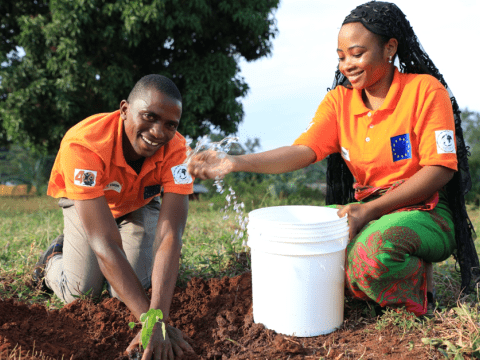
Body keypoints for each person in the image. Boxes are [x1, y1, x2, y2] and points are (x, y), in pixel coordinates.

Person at [188, 1, 479, 316]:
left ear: (389, 48)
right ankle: (371, 277)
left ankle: (418, 294)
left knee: (370, 257)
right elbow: (303, 151)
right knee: (305, 246)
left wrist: (370, 210)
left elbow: (440, 169)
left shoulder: (425, 91)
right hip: (364, 210)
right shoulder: (339, 101)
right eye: (341, 57)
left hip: (424, 210)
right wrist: (235, 162)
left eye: (357, 54)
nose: (347, 65)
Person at [33, 74, 194, 359]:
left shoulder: (178, 151)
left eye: (170, 125)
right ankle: (52, 261)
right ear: (124, 110)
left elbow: (171, 236)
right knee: (80, 293)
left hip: (139, 204)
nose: (158, 132)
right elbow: (104, 241)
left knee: (128, 291)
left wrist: (159, 316)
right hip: (89, 204)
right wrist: (151, 322)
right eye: (149, 117)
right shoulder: (84, 145)